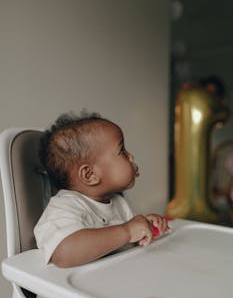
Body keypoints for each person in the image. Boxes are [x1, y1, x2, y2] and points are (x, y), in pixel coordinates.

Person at [34, 111, 170, 268]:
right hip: (76, 289)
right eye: (122, 152)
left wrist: (145, 227)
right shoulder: (64, 206)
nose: (131, 156)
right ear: (90, 174)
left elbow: (127, 244)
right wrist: (127, 231)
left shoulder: (117, 201)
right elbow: (64, 252)